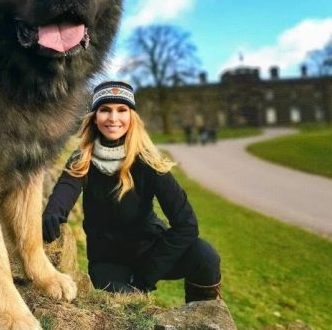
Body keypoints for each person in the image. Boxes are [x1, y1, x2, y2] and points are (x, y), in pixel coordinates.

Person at [41, 81, 222, 303]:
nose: (113, 118)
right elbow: (65, 191)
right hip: (109, 261)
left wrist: (146, 275)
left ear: (131, 117)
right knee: (126, 305)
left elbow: (187, 224)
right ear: (94, 117)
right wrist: (52, 214)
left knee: (205, 255)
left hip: (152, 251)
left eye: (122, 110)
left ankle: (203, 317)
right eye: (105, 109)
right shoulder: (82, 159)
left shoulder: (147, 160)